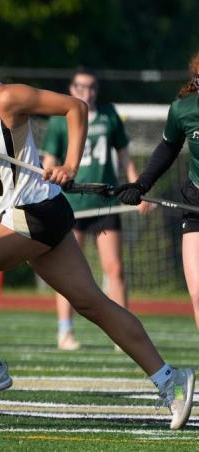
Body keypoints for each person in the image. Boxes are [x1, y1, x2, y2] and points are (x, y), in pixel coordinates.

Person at [0, 28, 194, 429]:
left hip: (36, 211)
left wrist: (69, 164)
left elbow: (75, 107)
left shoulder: (3, 97)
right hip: (22, 216)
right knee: (94, 305)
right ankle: (169, 379)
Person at [42, 68, 145, 351]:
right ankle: (65, 331)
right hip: (71, 204)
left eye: (91, 87)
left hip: (104, 203)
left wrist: (137, 188)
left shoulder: (109, 115)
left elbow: (124, 155)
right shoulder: (61, 120)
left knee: (115, 268)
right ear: (72, 87)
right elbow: (49, 160)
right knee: (67, 272)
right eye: (80, 86)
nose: (85, 92)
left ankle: (123, 334)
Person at [116, 51, 199, 333]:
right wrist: (141, 185)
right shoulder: (183, 110)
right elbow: (167, 148)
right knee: (198, 294)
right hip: (196, 202)